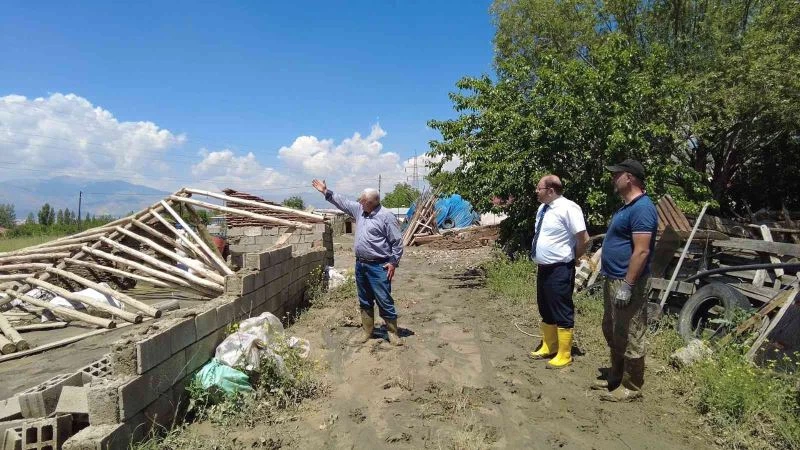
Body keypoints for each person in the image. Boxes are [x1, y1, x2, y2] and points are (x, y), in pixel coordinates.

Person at [311, 179, 405, 345]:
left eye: (363, 201)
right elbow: (344, 202)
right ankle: (367, 331)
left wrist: (393, 262)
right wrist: (326, 191)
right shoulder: (360, 210)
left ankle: (392, 332)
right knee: (364, 299)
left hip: (379, 266)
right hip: (361, 264)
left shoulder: (386, 216)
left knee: (384, 299)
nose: (359, 203)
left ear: (372, 202)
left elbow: (397, 242)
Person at [596, 159, 658, 401]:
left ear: (630, 177)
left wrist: (628, 286)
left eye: (617, 174)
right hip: (613, 278)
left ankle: (632, 386)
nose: (613, 178)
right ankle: (615, 376)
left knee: (632, 332)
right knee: (612, 329)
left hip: (628, 281)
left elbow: (641, 251)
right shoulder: (626, 207)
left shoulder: (642, 208)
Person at [529, 175, 590, 368]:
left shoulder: (569, 208)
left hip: (560, 268)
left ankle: (564, 353)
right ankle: (550, 345)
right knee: (545, 307)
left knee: (561, 308)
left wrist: (575, 256)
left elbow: (584, 238)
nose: (536, 191)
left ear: (550, 190)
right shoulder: (543, 208)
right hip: (544, 268)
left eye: (538, 188)